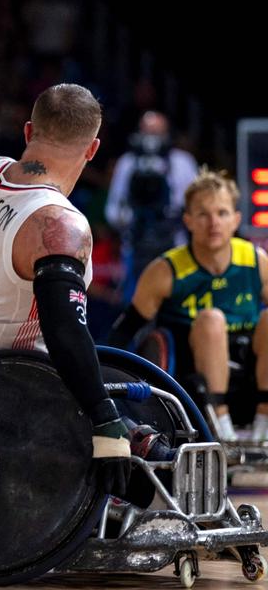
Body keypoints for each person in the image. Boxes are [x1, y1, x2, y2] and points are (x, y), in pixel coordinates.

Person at [0, 83, 131, 495]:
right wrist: (104, 417)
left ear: (28, 130)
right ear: (92, 150)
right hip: (27, 385)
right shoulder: (59, 226)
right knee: (150, 450)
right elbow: (64, 331)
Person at [108, 169, 268, 441]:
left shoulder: (255, 260)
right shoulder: (166, 269)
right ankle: (222, 430)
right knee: (212, 321)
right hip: (190, 378)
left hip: (248, 375)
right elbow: (124, 332)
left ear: (236, 220)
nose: (213, 223)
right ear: (189, 220)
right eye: (203, 214)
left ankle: (264, 423)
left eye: (222, 213)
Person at [105, 110, 199, 300]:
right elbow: (113, 210)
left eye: (157, 133)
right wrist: (133, 217)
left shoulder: (182, 162)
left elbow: (196, 207)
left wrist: (173, 215)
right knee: (136, 304)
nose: (151, 140)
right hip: (136, 247)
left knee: (176, 305)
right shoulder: (127, 163)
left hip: (175, 246)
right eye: (147, 132)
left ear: (167, 134)